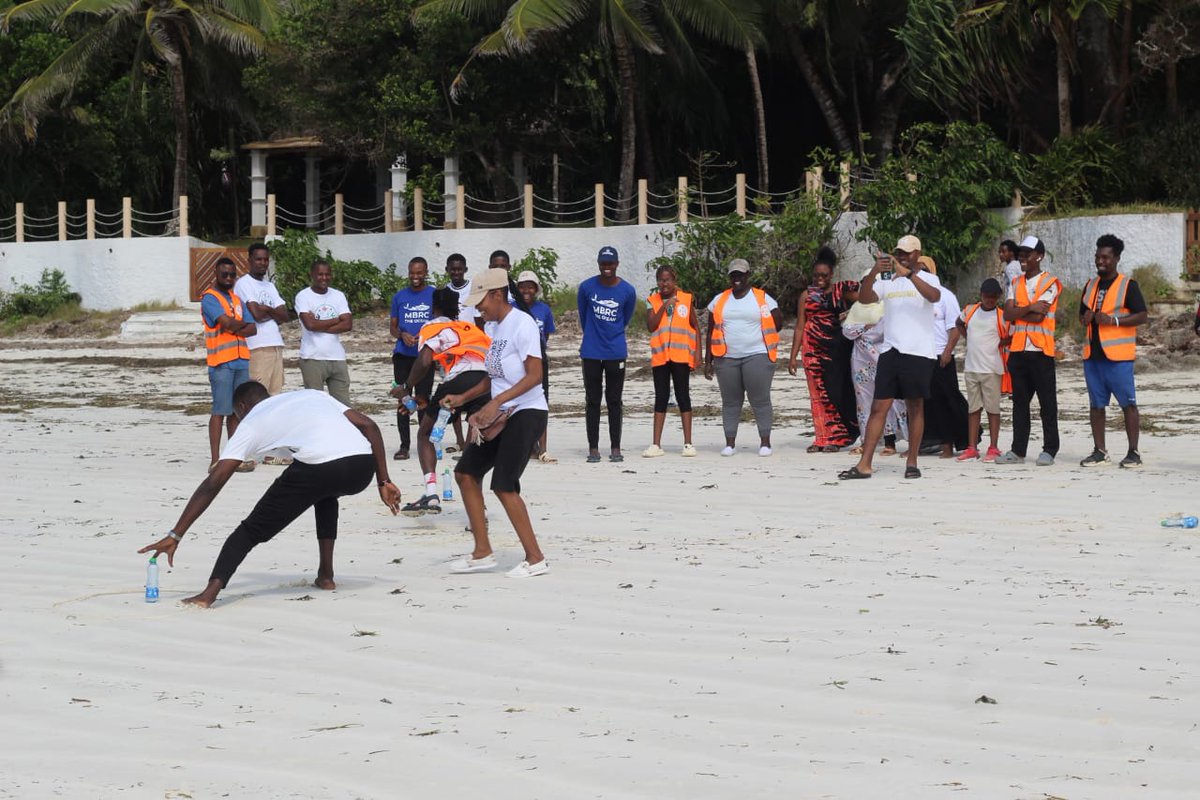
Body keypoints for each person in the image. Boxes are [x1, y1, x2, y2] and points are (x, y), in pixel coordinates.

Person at [137, 381, 401, 608]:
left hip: (322, 468)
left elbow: (213, 482)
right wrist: (384, 480)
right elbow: (369, 426)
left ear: (240, 408)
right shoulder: (312, 395)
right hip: (362, 466)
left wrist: (177, 533)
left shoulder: (251, 422)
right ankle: (326, 575)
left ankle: (208, 595)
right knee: (325, 494)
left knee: (250, 531)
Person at [444, 268, 550, 578]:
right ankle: (482, 552)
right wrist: (463, 398)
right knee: (465, 473)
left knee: (504, 485)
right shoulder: (494, 327)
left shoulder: (522, 324)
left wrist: (496, 403)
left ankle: (535, 558)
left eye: (481, 300)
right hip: (501, 412)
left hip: (527, 411)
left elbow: (535, 376)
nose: (478, 307)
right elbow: (495, 378)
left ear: (498, 294)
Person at [838, 235, 942, 480]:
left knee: (915, 406)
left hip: (918, 351)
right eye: (899, 252)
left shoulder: (928, 277)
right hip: (891, 350)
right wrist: (875, 271)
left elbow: (934, 296)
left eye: (906, 252)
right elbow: (864, 300)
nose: (902, 256)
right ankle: (865, 464)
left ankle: (912, 462)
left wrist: (907, 274)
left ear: (917, 254)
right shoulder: (887, 281)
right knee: (878, 407)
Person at [391, 287, 491, 513]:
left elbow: (425, 360)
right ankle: (479, 507)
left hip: (458, 380)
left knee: (425, 434)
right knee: (475, 440)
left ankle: (431, 493)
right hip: (486, 383)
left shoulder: (433, 325)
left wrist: (406, 387)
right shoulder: (469, 327)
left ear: (432, 307)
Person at [1078, 234, 1148, 468]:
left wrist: (1114, 321)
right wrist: (1085, 318)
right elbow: (1082, 316)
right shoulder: (1089, 285)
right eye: (1098, 257)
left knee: (1128, 404)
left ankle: (1133, 453)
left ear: (1116, 259)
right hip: (1092, 356)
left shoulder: (1128, 285)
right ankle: (1100, 451)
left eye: (1106, 257)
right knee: (1096, 406)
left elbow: (1142, 315)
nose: (1101, 261)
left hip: (1118, 358)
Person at [704, 258, 783, 457]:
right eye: (733, 275)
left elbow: (778, 322)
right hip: (726, 357)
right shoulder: (719, 300)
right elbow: (711, 331)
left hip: (757, 355)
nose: (736, 278)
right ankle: (730, 443)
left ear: (748, 275)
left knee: (760, 400)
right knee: (730, 401)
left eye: (740, 274)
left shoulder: (762, 298)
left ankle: (765, 442)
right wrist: (708, 361)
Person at [996, 236, 1061, 466]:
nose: (1022, 257)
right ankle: (1018, 450)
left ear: (1039, 256)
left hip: (1041, 351)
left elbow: (1039, 315)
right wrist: (1029, 307)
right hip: (1018, 350)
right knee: (1020, 404)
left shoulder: (1049, 282)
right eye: (1021, 253)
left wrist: (1022, 310)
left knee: (1047, 404)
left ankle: (1050, 449)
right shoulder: (1016, 282)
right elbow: (1007, 314)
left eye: (1027, 253)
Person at [787, 247, 860, 452]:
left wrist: (849, 315)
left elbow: (867, 300)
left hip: (836, 349)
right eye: (817, 275)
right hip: (811, 350)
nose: (820, 279)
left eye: (824, 275)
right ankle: (822, 438)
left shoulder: (841, 290)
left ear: (831, 275)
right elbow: (800, 325)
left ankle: (839, 437)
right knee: (817, 394)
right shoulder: (806, 295)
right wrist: (793, 357)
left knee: (837, 392)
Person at [234, 243, 293, 467]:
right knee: (255, 401)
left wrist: (267, 310)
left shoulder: (269, 286)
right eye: (258, 259)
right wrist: (271, 311)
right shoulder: (244, 284)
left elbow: (285, 315)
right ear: (249, 260)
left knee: (274, 399)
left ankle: (269, 451)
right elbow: (257, 315)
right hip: (257, 347)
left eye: (266, 260)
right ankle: (243, 450)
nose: (262, 263)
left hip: (275, 345)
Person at [578, 245, 637, 463]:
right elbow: (584, 317)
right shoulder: (586, 287)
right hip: (591, 352)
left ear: (617, 264)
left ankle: (615, 446)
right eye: (603, 263)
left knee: (614, 400)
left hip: (616, 352)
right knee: (592, 400)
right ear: (598, 264)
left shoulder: (628, 290)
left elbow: (626, 316)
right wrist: (594, 337)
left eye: (610, 263)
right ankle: (593, 447)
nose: (607, 267)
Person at [201, 257, 256, 473]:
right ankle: (215, 461)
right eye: (225, 274)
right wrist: (237, 326)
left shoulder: (236, 299)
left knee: (237, 412)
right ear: (216, 273)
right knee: (220, 411)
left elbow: (253, 329)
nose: (229, 278)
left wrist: (235, 326)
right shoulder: (209, 298)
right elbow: (225, 323)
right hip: (221, 363)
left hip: (241, 361)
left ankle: (234, 458)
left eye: (232, 274)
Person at [643, 264, 700, 458]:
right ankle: (656, 444)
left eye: (667, 280)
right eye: (660, 280)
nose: (663, 283)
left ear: (674, 280)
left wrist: (697, 354)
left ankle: (688, 443)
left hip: (681, 356)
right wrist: (664, 306)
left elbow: (695, 326)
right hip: (660, 357)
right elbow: (651, 326)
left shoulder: (685, 299)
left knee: (683, 395)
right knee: (661, 397)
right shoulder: (653, 301)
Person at [954, 278, 1011, 462]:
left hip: (992, 369)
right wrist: (968, 336)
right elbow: (958, 323)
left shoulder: (1002, 316)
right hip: (971, 368)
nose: (990, 300)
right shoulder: (970, 311)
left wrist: (1001, 343)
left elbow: (1012, 335)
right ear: (981, 295)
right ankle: (972, 447)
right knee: (973, 409)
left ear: (998, 297)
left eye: (993, 297)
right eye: (987, 296)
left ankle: (993, 447)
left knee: (993, 410)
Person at [842, 296, 907, 455]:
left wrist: (862, 329)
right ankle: (866, 441)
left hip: (881, 357)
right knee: (863, 401)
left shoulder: (886, 306)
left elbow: (883, 330)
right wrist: (865, 326)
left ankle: (890, 442)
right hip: (860, 360)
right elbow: (847, 331)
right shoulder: (857, 307)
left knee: (887, 400)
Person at [922, 256, 969, 458]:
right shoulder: (915, 296)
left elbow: (954, 327)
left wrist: (948, 351)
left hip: (941, 355)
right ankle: (925, 443)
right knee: (925, 402)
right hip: (921, 355)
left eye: (925, 269)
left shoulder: (946, 296)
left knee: (947, 401)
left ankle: (950, 444)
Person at [389, 257, 435, 460]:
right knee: (404, 398)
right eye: (412, 273)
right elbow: (393, 327)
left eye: (419, 273)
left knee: (423, 400)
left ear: (426, 272)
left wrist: (425, 336)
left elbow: (440, 323)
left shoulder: (434, 294)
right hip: (403, 356)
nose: (415, 277)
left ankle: (424, 442)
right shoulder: (399, 297)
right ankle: (404, 446)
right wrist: (402, 335)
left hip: (425, 356)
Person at [295, 260, 353, 407]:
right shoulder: (303, 296)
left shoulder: (338, 295)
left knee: (343, 406)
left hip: (337, 357)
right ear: (312, 275)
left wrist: (319, 325)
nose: (324, 278)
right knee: (315, 405)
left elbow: (348, 324)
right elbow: (310, 325)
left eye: (327, 274)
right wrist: (336, 319)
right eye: (320, 274)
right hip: (312, 357)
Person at [514, 270, 558, 463]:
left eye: (530, 286)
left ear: (536, 289)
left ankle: (543, 448)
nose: (526, 290)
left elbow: (545, 336)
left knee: (541, 402)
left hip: (539, 362)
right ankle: (525, 446)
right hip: (517, 362)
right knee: (519, 403)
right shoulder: (512, 308)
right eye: (522, 286)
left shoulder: (544, 310)